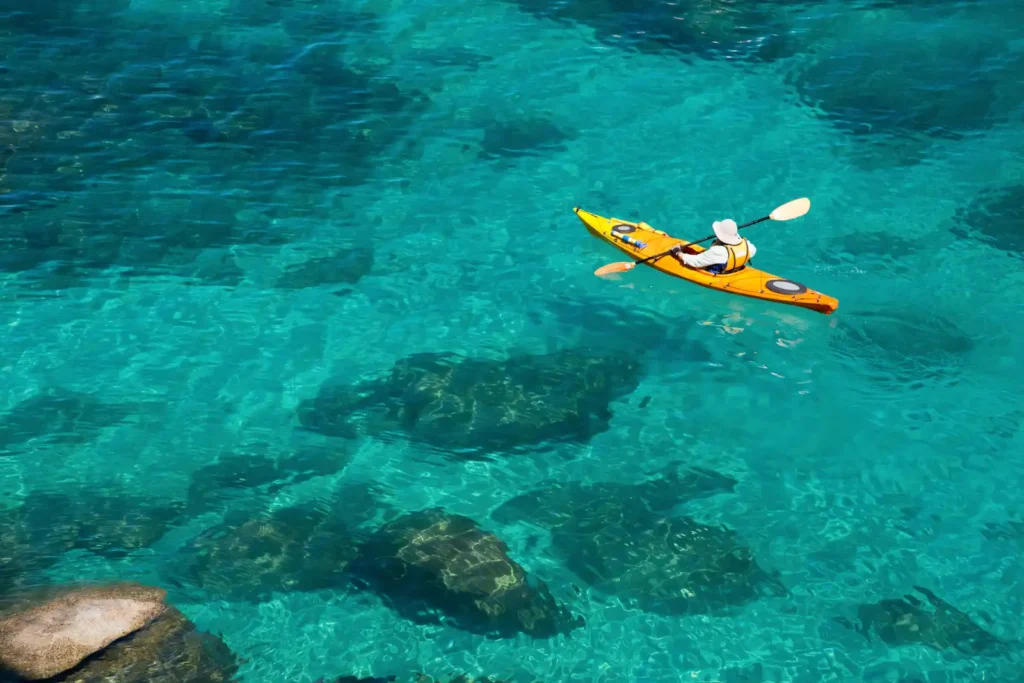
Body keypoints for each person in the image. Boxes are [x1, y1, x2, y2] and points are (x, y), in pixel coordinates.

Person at [671, 218, 755, 274]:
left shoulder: (718, 251)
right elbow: (753, 251)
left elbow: (696, 262)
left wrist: (678, 253)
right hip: (736, 269)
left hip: (717, 273)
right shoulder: (747, 245)